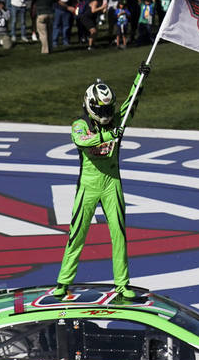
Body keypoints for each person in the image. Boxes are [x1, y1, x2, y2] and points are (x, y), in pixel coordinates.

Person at [53, 65, 151, 299]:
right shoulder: (80, 123)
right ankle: (63, 281)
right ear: (90, 104)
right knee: (77, 233)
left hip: (111, 183)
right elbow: (82, 141)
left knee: (118, 233)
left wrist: (140, 77)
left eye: (108, 108)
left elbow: (132, 101)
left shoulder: (117, 121)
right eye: (101, 108)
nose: (106, 113)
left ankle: (122, 283)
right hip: (88, 184)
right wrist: (109, 135)